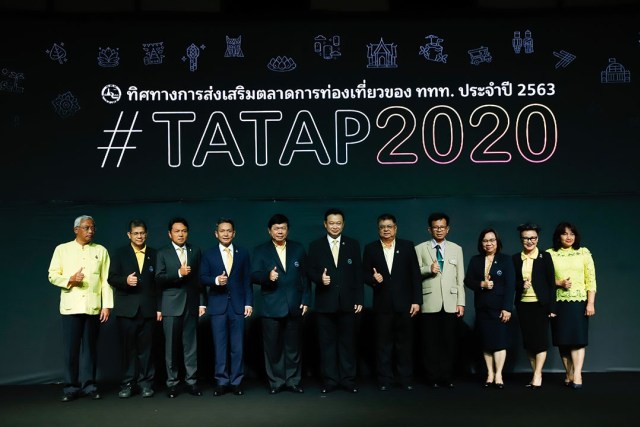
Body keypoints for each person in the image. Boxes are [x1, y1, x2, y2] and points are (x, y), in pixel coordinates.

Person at [47, 215, 113, 402]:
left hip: (93, 307)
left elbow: (105, 281)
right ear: (76, 229)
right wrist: (70, 279)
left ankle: (89, 386)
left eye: (93, 228)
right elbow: (52, 275)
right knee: (71, 350)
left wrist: (107, 305)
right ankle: (70, 387)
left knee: (90, 349)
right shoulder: (62, 249)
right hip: (71, 308)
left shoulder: (101, 250)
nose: (90, 231)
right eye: (86, 228)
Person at [251, 213, 311, 394]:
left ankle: (293, 381)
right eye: (276, 228)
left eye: (283, 228)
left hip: (294, 305)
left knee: (294, 347)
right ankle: (276, 382)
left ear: (288, 230)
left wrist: (306, 299)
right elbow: (254, 275)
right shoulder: (261, 250)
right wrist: (267, 277)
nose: (280, 231)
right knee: (273, 348)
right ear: (269, 231)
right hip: (271, 306)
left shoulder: (298, 248)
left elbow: (305, 277)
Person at [362, 213, 421, 391]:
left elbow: (415, 275)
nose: (386, 230)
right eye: (382, 227)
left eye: (389, 226)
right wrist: (373, 279)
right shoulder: (371, 248)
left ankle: (405, 379)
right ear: (378, 229)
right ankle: (384, 380)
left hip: (405, 304)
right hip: (382, 304)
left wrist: (417, 301)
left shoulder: (407, 246)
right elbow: (364, 274)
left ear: (395, 228)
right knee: (383, 344)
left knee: (405, 344)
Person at [307, 208, 363, 394]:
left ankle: (348, 380)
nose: (335, 226)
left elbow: (358, 274)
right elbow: (310, 271)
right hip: (325, 303)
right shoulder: (316, 245)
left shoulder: (353, 244)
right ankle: (330, 381)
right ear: (325, 224)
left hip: (348, 303)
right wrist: (319, 279)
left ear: (343, 224)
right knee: (327, 345)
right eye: (331, 223)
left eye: (338, 223)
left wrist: (359, 299)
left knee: (348, 344)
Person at [200, 218, 253, 397]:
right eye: (222, 231)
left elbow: (247, 280)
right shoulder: (209, 254)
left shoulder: (243, 253)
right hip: (218, 306)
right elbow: (202, 277)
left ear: (234, 233)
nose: (225, 234)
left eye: (229, 231)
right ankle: (221, 381)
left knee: (238, 346)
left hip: (238, 306)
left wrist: (248, 302)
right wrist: (215, 280)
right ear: (216, 234)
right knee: (220, 346)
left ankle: (236, 381)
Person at [155, 217, 206, 398]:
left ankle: (191, 381)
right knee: (171, 347)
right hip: (171, 306)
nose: (181, 234)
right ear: (170, 234)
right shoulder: (162, 253)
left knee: (191, 346)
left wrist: (202, 302)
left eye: (184, 231)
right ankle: (172, 383)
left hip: (191, 304)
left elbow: (199, 279)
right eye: (177, 231)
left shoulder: (195, 250)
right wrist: (178, 273)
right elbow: (158, 279)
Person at [108, 219, 158, 398]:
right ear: (129, 235)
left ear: (146, 234)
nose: (139, 236)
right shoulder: (119, 253)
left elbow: (158, 283)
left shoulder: (155, 254)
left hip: (148, 310)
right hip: (127, 310)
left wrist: (159, 308)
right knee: (128, 350)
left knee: (147, 351)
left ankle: (146, 384)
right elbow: (111, 278)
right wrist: (125, 281)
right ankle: (128, 384)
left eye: (142, 233)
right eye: (136, 233)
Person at [414, 212, 465, 388]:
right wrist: (428, 268)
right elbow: (413, 273)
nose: (439, 230)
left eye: (442, 227)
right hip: (429, 302)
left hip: (450, 302)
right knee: (430, 343)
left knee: (448, 342)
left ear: (447, 229)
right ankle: (432, 377)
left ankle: (446, 377)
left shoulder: (456, 249)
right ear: (429, 229)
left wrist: (461, 302)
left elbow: (460, 278)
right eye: (435, 227)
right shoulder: (420, 248)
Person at [547, 222, 597, 390]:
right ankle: (568, 373)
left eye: (572, 234)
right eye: (565, 233)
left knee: (577, 340)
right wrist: (559, 283)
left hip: (579, 302)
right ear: (558, 236)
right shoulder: (550, 254)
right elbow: (543, 279)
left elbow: (591, 279)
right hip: (558, 302)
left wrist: (590, 303)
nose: (569, 237)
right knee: (563, 341)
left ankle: (577, 374)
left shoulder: (583, 253)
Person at [464, 228, 515, 389]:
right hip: (482, 307)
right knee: (486, 342)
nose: (489, 243)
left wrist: (507, 308)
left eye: (492, 240)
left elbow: (510, 285)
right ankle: (490, 374)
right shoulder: (475, 260)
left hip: (499, 308)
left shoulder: (506, 260)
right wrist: (481, 284)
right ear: (481, 243)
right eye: (485, 240)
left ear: (497, 242)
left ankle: (498, 374)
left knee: (499, 342)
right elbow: (468, 281)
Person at [512, 223, 556, 389]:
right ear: (521, 239)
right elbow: (512, 282)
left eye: (533, 238)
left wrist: (552, 308)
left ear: (537, 239)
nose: (529, 241)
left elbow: (551, 284)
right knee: (529, 342)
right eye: (526, 238)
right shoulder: (516, 258)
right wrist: (521, 284)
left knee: (540, 341)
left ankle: (538, 374)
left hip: (541, 305)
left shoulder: (545, 256)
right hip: (523, 305)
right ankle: (535, 373)